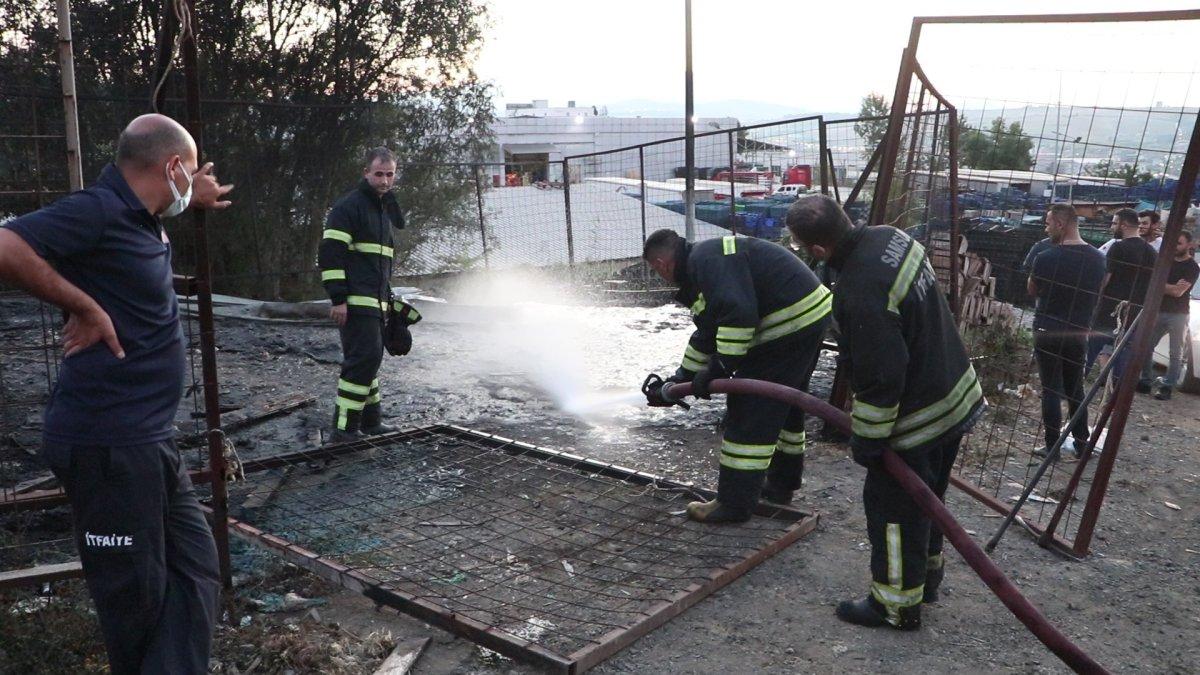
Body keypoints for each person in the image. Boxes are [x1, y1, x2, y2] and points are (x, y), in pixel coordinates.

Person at [0, 114, 233, 673]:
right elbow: (5, 243)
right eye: (186, 172)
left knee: (199, 570)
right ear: (171, 166)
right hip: (106, 444)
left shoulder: (141, 217)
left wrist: (193, 197)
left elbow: (144, 223)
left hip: (147, 440)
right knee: (137, 604)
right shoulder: (99, 211)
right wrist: (84, 306)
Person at [786, 195, 983, 631]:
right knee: (928, 498)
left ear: (818, 250)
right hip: (955, 393)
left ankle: (894, 605)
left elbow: (880, 377)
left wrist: (869, 441)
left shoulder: (860, 290)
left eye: (804, 248)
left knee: (893, 510)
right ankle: (926, 579)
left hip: (919, 415)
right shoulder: (890, 237)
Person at [642, 229, 831, 523]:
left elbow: (738, 315)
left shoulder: (706, 263)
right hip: (806, 316)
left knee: (749, 409)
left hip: (787, 325)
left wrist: (721, 368)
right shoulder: (703, 262)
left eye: (657, 271)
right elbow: (707, 331)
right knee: (784, 404)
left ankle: (733, 504)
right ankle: (781, 485)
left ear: (661, 263)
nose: (660, 277)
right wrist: (682, 378)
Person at [318, 147, 406, 441]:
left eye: (389, 174)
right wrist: (338, 299)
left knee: (370, 360)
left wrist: (390, 302)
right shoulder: (349, 207)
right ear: (365, 173)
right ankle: (344, 429)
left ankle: (371, 422)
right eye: (378, 174)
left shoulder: (381, 210)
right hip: (356, 302)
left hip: (376, 301)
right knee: (362, 361)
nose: (384, 181)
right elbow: (330, 254)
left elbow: (378, 264)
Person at [1026, 205, 1105, 459]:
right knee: (1075, 389)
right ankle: (1082, 445)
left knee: (1050, 389)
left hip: (1047, 328)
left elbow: (1032, 289)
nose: (1046, 227)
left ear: (1061, 224)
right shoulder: (1097, 258)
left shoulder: (1046, 257)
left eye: (1048, 222)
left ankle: (1052, 447)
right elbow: (1100, 287)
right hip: (1078, 330)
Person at [1088, 208, 1158, 378]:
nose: (1112, 227)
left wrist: (1092, 298)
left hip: (1110, 309)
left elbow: (1105, 279)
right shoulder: (1152, 252)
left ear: (1124, 224)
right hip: (1135, 312)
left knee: (1090, 351)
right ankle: (1115, 397)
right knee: (1122, 354)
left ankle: (1075, 387)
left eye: (1114, 223)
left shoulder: (1118, 247)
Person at [1138, 230, 1199, 400]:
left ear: (1189, 245)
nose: (1175, 247)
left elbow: (1179, 292)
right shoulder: (1164, 262)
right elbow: (1150, 282)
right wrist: (1169, 286)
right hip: (1158, 310)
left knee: (1175, 353)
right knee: (1146, 346)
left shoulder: (1192, 267)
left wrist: (1163, 286)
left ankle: (1167, 386)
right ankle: (1146, 380)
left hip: (1178, 314)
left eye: (1179, 243)